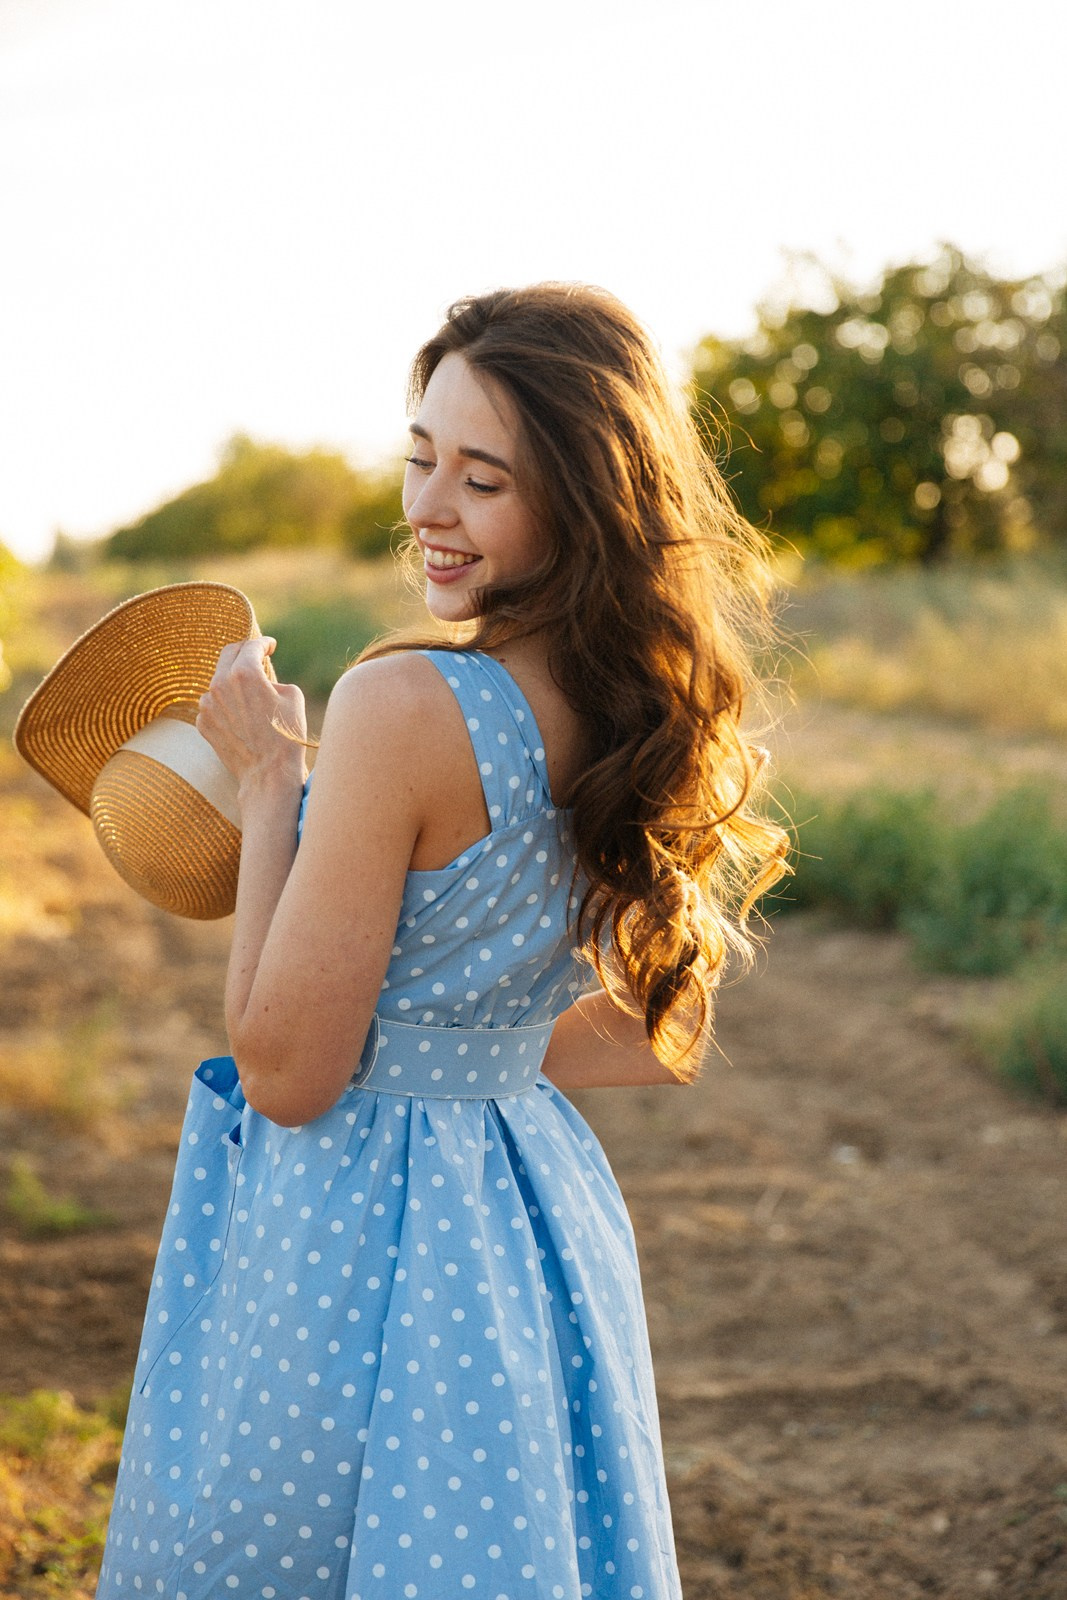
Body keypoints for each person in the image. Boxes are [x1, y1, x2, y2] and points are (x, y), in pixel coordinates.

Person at [96, 282, 788, 1599]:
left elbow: (289, 1075)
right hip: (530, 1221)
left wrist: (262, 784)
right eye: (421, 458)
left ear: (582, 502)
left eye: (483, 479)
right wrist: (475, 1056)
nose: (428, 507)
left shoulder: (403, 702)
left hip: (361, 1226)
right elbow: (663, 1035)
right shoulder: (632, 707)